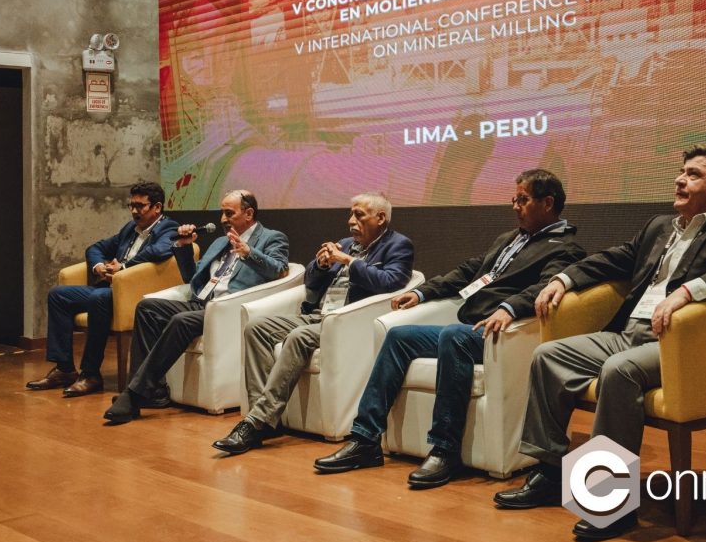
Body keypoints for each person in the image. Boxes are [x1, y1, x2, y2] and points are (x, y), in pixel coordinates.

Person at [493, 146, 706, 542]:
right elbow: (615, 259)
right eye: (682, 172)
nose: (679, 180)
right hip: (628, 332)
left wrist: (687, 293)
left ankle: (611, 503)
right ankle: (550, 472)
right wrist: (563, 279)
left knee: (619, 371)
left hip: (678, 342)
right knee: (549, 356)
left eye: (693, 174)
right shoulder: (660, 226)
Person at [313, 169, 585, 489]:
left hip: (502, 333)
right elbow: (469, 271)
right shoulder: (510, 239)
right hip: (471, 326)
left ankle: (445, 449)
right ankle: (365, 439)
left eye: (522, 200)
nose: (514, 206)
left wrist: (509, 308)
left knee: (453, 336)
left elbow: (544, 288)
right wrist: (421, 293)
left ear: (548, 203)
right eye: (514, 199)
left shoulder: (565, 248)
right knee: (399, 336)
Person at [213, 192, 415, 455]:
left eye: (359, 215)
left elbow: (391, 282)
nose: (351, 221)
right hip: (319, 314)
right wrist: (320, 264)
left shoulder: (399, 245)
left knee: (299, 336)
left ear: (380, 218)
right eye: (350, 214)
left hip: (347, 321)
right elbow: (310, 281)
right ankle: (262, 418)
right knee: (257, 328)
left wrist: (349, 262)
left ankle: (256, 422)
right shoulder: (346, 243)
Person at [103, 189, 289, 424]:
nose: (222, 219)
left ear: (249, 213)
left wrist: (248, 252)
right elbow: (192, 279)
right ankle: (154, 392)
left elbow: (279, 269)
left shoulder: (272, 238)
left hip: (228, 308)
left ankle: (134, 394)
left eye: (229, 213)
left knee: (181, 321)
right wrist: (183, 246)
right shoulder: (221, 242)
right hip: (202, 302)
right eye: (222, 213)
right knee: (147, 307)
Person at [27, 181, 178, 397]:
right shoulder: (130, 229)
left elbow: (159, 251)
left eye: (140, 206)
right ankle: (65, 369)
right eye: (132, 205)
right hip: (110, 288)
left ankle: (90, 374)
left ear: (157, 207)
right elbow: (95, 248)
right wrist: (99, 267)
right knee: (58, 295)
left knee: (99, 297)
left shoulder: (169, 228)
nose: (134, 211)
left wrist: (123, 267)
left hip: (135, 293)